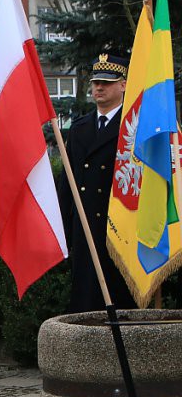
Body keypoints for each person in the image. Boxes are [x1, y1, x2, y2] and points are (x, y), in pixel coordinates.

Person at [59, 54, 135, 313]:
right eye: (95, 82)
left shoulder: (132, 127)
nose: (99, 88)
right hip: (84, 229)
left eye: (106, 82)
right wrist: (65, 232)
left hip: (119, 232)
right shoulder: (80, 128)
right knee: (85, 305)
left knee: (119, 303)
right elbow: (67, 185)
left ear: (123, 85)